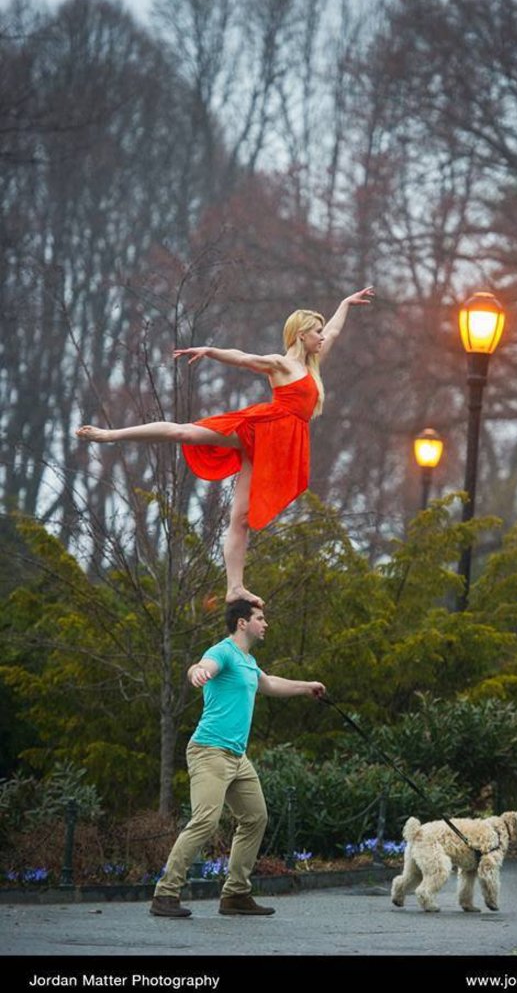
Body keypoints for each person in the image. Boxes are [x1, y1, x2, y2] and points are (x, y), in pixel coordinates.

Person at [76, 286, 374, 606]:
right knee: (185, 434)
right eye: (316, 332)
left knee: (241, 519)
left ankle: (235, 587)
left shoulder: (313, 364)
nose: (322, 337)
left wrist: (344, 303)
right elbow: (245, 358)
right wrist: (211, 350)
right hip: (261, 429)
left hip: (280, 444)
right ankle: (111, 435)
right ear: (301, 335)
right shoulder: (282, 364)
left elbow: (334, 331)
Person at [149, 598, 325, 918]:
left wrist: (306, 687)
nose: (265, 623)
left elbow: (268, 683)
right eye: (260, 618)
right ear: (242, 623)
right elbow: (203, 666)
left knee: (256, 817)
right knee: (205, 821)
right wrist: (197, 672)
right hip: (209, 750)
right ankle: (166, 893)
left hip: (237, 757)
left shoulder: (247, 661)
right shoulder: (224, 651)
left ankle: (236, 894)